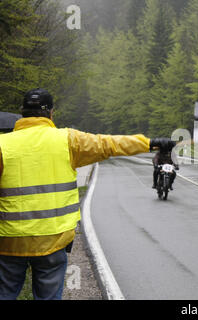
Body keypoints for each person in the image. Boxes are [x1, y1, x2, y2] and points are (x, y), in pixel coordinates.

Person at [0, 88, 169, 300]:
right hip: (54, 240)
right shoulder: (68, 140)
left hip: (8, 240)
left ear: (22, 112)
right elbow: (110, 144)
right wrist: (149, 143)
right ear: (51, 113)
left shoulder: (2, 144)